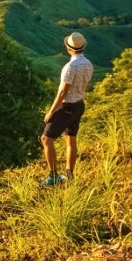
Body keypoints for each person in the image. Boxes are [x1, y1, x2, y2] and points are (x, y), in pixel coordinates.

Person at [41, 32, 93, 185]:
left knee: (46, 139)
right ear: (83, 47)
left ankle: (53, 176)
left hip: (67, 106)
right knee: (71, 140)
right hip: (79, 105)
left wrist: (51, 111)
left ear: (68, 48)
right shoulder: (88, 64)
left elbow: (63, 92)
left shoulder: (70, 67)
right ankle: (69, 176)